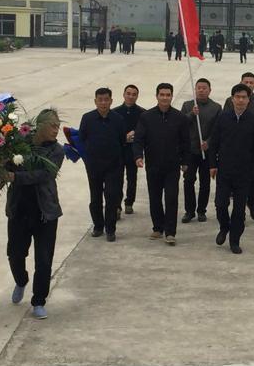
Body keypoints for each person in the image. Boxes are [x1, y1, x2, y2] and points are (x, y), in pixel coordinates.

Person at [6, 109, 64, 320]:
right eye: (53, 126)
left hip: (45, 213)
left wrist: (15, 177)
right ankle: (21, 281)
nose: (56, 130)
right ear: (40, 126)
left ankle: (39, 301)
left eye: (58, 126)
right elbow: (8, 163)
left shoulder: (57, 151)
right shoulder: (21, 143)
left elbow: (44, 175)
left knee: (44, 260)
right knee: (15, 254)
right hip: (19, 210)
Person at [209, 84, 254, 254]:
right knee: (220, 204)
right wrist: (212, 165)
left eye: (244, 97)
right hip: (224, 170)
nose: (240, 100)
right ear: (232, 99)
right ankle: (224, 227)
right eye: (237, 97)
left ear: (248, 100)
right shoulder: (223, 118)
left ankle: (234, 240)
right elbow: (213, 143)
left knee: (239, 210)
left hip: (244, 172)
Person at [134, 83, 190, 246]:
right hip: (153, 165)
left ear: (171, 96)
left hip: (172, 166)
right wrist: (138, 156)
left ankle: (170, 232)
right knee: (155, 197)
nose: (165, 98)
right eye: (162, 95)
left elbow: (186, 142)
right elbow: (139, 139)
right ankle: (158, 227)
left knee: (171, 198)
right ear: (157, 96)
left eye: (168, 95)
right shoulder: (146, 117)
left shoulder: (180, 117)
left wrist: (185, 161)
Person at [223, 72, 254, 220]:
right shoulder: (230, 101)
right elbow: (224, 122)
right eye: (246, 82)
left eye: (251, 82)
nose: (249, 85)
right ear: (241, 82)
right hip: (235, 147)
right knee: (238, 180)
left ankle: (251, 202)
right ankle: (240, 212)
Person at [79, 88, 126, 242]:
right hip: (94, 165)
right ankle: (98, 226)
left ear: (111, 101)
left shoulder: (118, 119)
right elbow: (82, 139)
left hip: (114, 166)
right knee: (95, 197)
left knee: (112, 197)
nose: (103, 103)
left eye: (106, 99)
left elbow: (122, 141)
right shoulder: (87, 118)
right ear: (95, 101)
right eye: (100, 100)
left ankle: (110, 229)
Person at [180, 78, 222, 223]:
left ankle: (201, 211)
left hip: (207, 152)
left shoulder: (216, 107)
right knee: (188, 181)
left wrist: (208, 143)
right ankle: (189, 211)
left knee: (205, 182)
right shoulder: (188, 105)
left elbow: (218, 129)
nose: (201, 90)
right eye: (199, 88)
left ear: (210, 90)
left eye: (204, 88)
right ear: (195, 89)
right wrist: (192, 114)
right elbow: (181, 124)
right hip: (190, 151)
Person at [112, 85, 146, 216]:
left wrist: (136, 133)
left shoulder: (142, 113)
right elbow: (111, 132)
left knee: (132, 178)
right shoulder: (115, 112)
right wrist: (123, 137)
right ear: (124, 94)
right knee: (117, 179)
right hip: (119, 151)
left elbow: (145, 131)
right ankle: (116, 205)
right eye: (128, 93)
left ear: (137, 96)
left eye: (134, 94)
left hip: (133, 151)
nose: (131, 96)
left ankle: (129, 203)